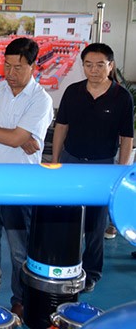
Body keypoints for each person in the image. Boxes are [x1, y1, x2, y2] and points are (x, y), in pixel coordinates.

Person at [0, 37, 53, 318]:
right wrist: (11, 136)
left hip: (21, 184)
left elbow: (12, 136)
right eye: (7, 66)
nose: (10, 73)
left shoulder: (41, 100)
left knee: (20, 250)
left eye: (18, 67)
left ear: (33, 66)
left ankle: (20, 299)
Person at [52, 43, 134, 293]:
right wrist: (56, 160)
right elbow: (61, 127)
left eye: (100, 65)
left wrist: (120, 171)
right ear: (83, 66)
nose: (94, 70)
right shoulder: (73, 92)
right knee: (67, 218)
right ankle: (66, 265)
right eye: (88, 65)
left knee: (95, 225)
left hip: (102, 167)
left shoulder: (122, 97)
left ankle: (92, 272)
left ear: (111, 66)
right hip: (71, 161)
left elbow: (126, 138)